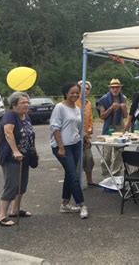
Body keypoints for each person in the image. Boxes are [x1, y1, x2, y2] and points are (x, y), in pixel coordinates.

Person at [0, 92, 37, 227]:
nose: (26, 105)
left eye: (27, 102)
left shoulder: (26, 117)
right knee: (11, 185)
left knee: (22, 184)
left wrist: (33, 150)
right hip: (11, 157)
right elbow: (8, 133)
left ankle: (15, 210)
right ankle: (1, 216)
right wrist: (15, 151)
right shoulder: (10, 116)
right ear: (14, 104)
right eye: (22, 103)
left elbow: (30, 135)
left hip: (25, 156)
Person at [50, 82, 88, 219]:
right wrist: (60, 147)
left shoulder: (77, 108)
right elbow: (55, 128)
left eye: (77, 92)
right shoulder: (59, 107)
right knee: (74, 175)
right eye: (72, 92)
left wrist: (85, 139)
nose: (75, 95)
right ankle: (82, 204)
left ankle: (65, 204)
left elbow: (77, 127)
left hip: (75, 144)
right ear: (66, 93)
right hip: (62, 146)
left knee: (70, 174)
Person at [96, 78, 128, 177]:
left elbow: (125, 115)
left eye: (117, 87)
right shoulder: (103, 100)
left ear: (120, 88)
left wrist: (123, 108)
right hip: (108, 127)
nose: (115, 89)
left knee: (119, 153)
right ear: (110, 89)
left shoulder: (123, 98)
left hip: (120, 127)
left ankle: (116, 176)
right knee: (107, 154)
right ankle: (106, 176)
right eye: (113, 87)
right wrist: (111, 108)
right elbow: (102, 116)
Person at [76, 80, 97, 187]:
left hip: (86, 137)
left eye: (88, 89)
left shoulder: (88, 103)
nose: (85, 90)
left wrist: (90, 129)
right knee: (78, 162)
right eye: (83, 88)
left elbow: (90, 118)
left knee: (89, 159)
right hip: (76, 137)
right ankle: (76, 184)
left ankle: (90, 181)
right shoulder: (75, 102)